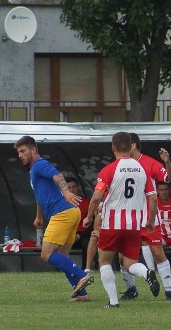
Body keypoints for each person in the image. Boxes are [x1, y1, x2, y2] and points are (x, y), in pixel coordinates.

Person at [81, 131, 160, 308]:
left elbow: (96, 197)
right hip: (134, 225)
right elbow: (153, 197)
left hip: (112, 223)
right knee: (130, 262)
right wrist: (151, 220)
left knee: (105, 261)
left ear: (113, 148)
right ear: (130, 146)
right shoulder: (142, 170)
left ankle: (114, 302)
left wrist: (88, 217)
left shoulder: (109, 170)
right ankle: (147, 273)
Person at [14, 136, 93, 301]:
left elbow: (58, 176)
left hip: (62, 213)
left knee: (46, 254)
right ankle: (82, 294)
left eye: (23, 151)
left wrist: (66, 192)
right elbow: (39, 195)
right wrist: (38, 216)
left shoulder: (39, 164)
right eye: (18, 152)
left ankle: (81, 275)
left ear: (33, 149)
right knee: (62, 256)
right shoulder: (33, 170)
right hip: (71, 212)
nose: (20, 155)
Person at [118, 132, 171, 301]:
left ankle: (169, 292)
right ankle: (131, 289)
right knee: (123, 256)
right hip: (128, 218)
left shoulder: (150, 163)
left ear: (133, 146)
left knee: (158, 252)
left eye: (125, 145)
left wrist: (167, 162)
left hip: (148, 217)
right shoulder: (119, 164)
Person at [65, 176, 91, 268]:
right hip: (66, 235)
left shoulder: (86, 203)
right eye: (69, 188)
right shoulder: (61, 203)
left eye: (74, 187)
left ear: (78, 187)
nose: (72, 190)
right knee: (57, 243)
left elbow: (91, 225)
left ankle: (85, 268)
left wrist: (79, 235)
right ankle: (62, 268)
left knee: (87, 243)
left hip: (81, 235)